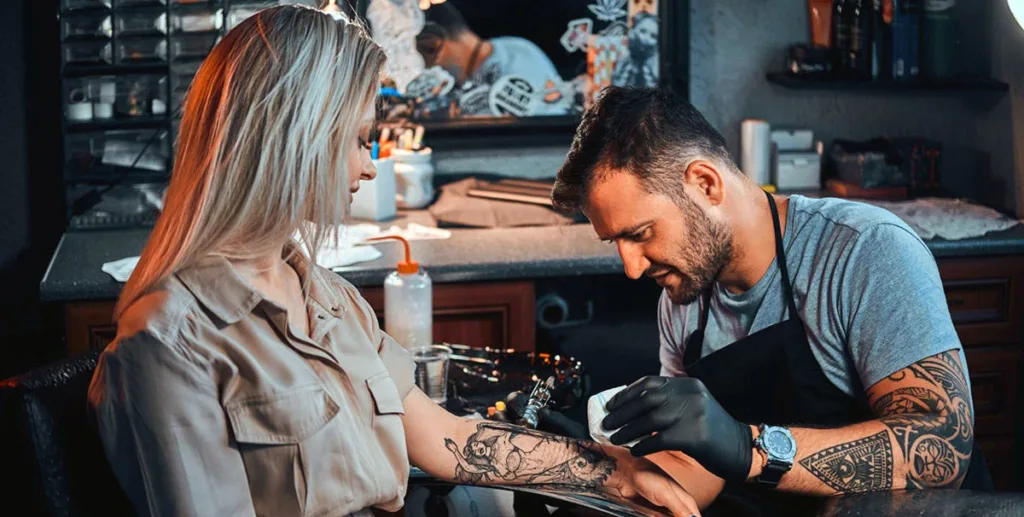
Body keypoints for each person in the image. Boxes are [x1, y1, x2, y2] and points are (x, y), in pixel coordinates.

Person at [86, 9, 701, 517]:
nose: (368, 165)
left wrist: (613, 476)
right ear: (294, 137)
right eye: (357, 140)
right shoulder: (169, 346)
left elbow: (444, 438)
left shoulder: (325, 294)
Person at [549, 87, 986, 513]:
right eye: (615, 243)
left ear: (705, 184)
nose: (632, 268)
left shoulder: (862, 250)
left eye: (640, 234)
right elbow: (694, 464)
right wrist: (607, 474)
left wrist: (748, 447)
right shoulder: (682, 296)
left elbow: (942, 444)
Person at [414, 2, 566, 115]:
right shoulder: (457, 82)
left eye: (417, 60)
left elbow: (544, 135)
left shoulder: (516, 59)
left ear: (432, 44)